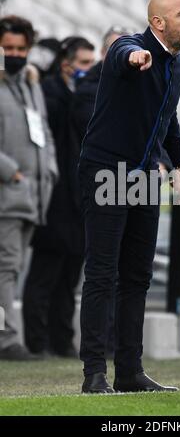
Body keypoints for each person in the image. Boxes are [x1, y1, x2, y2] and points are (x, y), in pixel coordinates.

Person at [79, 0, 180, 393]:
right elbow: (119, 51)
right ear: (159, 23)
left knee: (137, 277)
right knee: (101, 273)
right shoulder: (135, 49)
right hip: (106, 170)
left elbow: (170, 119)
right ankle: (94, 373)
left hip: (146, 176)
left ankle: (129, 371)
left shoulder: (177, 64)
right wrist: (133, 56)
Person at [22, 37, 95, 358]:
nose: (88, 70)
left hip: (78, 200)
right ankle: (37, 342)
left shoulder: (84, 97)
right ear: (66, 64)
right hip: (54, 199)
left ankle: (62, 340)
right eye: (83, 63)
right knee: (45, 274)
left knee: (69, 278)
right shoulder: (48, 94)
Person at [70, 27, 131, 358]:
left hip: (135, 185)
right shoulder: (88, 90)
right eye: (116, 50)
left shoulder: (144, 84)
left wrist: (165, 161)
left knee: (130, 275)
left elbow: (162, 123)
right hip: (103, 183)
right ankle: (94, 357)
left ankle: (121, 352)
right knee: (100, 272)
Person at [0, 15, 58, 360]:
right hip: (7, 193)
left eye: (21, 48)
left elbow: (45, 131)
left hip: (33, 195)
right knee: (5, 268)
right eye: (8, 47)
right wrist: (12, 173)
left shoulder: (32, 84)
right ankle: (7, 340)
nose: (15, 54)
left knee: (13, 268)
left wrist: (48, 169)